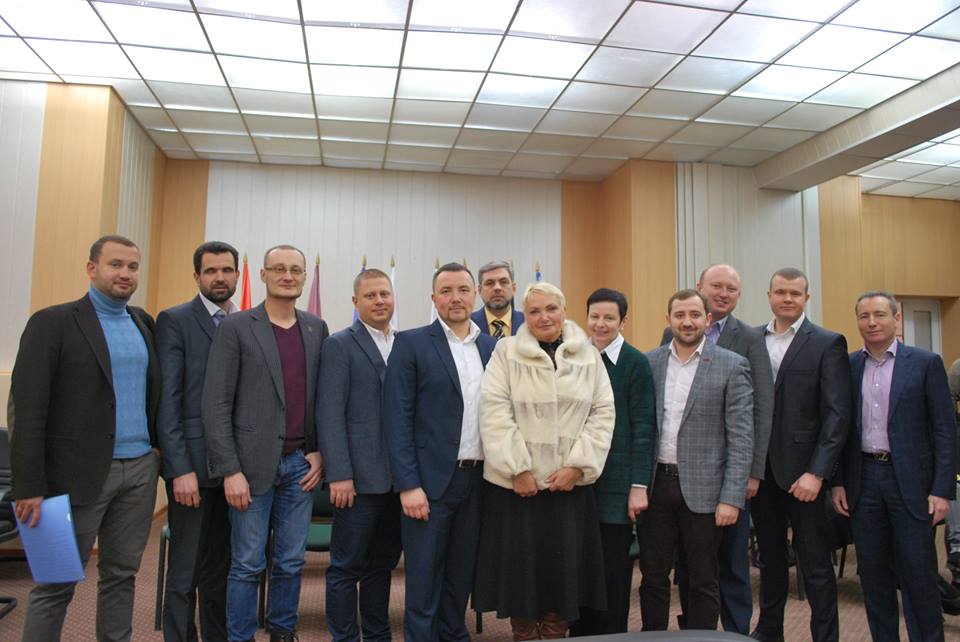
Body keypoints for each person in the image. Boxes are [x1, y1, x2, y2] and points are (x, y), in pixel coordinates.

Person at [11, 235, 161, 642]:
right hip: (69, 478)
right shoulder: (52, 323)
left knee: (121, 576)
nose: (125, 274)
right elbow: (26, 411)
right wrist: (28, 486)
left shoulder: (143, 322)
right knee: (54, 582)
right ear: (92, 268)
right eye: (115, 265)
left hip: (139, 472)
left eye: (132, 266)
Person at [473, 281, 615, 640]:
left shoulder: (588, 355)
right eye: (534, 311)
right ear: (526, 316)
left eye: (551, 308)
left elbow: (603, 413)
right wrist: (517, 468)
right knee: (521, 578)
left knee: (563, 577)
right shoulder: (506, 352)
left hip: (569, 488)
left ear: (563, 311)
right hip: (518, 489)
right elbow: (493, 411)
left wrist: (578, 466)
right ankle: (524, 635)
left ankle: (554, 634)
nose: (544, 317)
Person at [202, 244, 327, 642]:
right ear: (263, 275)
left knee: (290, 562)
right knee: (247, 564)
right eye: (279, 269)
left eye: (295, 270)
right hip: (249, 467)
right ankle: (240, 637)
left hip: (299, 467)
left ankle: (282, 633)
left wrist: (318, 450)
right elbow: (216, 403)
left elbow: (320, 398)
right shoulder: (237, 327)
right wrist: (229, 470)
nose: (287, 276)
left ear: (304, 277)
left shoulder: (316, 328)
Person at [831, 291, 956, 642]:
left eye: (880, 315)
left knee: (918, 574)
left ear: (896, 318)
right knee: (873, 575)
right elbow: (839, 429)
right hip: (863, 480)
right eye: (864, 316)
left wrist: (942, 490)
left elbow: (945, 430)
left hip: (912, 483)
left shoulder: (925, 363)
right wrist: (838, 481)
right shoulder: (848, 366)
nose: (872, 322)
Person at [383, 262, 496, 641]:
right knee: (424, 580)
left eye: (463, 290)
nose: (455, 298)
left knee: (460, 576)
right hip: (428, 484)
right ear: (434, 298)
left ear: (475, 294)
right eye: (446, 291)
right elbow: (397, 418)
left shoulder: (491, 347)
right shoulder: (411, 343)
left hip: (478, 482)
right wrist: (408, 485)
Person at [660, 263, 774, 634]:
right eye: (716, 286)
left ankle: (736, 631)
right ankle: (694, 629)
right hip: (683, 478)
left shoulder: (751, 337)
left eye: (731, 288)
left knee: (732, 562)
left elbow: (760, 408)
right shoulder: (673, 331)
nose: (723, 293)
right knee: (690, 563)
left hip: (730, 476)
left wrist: (752, 472)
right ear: (700, 287)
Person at [640, 289, 753, 631]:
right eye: (679, 315)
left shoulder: (732, 365)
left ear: (708, 319)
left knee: (703, 579)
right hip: (656, 486)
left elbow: (741, 438)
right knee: (653, 577)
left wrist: (731, 498)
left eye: (694, 315)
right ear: (668, 319)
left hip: (706, 493)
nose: (687, 322)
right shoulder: (650, 362)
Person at [751, 267, 851, 642]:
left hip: (804, 476)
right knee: (770, 560)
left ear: (807, 298)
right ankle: (769, 631)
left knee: (815, 565)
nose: (787, 299)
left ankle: (825, 637)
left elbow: (837, 415)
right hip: (762, 473)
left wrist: (817, 473)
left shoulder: (827, 342)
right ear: (769, 296)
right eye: (781, 292)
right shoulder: (752, 339)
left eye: (795, 293)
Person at [156, 241, 239, 642]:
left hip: (235, 471)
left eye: (226, 270)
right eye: (211, 271)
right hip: (192, 469)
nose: (219, 278)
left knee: (221, 569)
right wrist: (179, 469)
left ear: (237, 275)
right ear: (197, 276)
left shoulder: (244, 323)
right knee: (185, 571)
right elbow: (167, 402)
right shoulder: (175, 321)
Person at [317, 268, 402, 642]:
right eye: (371, 295)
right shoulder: (339, 345)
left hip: (397, 483)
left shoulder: (405, 343)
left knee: (382, 566)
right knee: (345, 568)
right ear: (356, 302)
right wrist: (339, 474)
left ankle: (378, 636)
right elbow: (329, 414)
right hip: (356, 482)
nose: (379, 301)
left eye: (385, 294)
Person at [570, 288, 655, 636]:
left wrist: (638, 486)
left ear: (623, 320)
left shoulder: (635, 363)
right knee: (579, 571)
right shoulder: (575, 357)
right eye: (595, 317)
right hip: (578, 483)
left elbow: (644, 429)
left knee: (612, 573)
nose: (600, 324)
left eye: (609, 318)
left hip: (617, 486)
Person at [471, 260, 524, 339]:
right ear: (480, 290)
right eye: (490, 283)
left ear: (513, 288)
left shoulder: (528, 323)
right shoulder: (468, 324)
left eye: (503, 282)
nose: (497, 288)